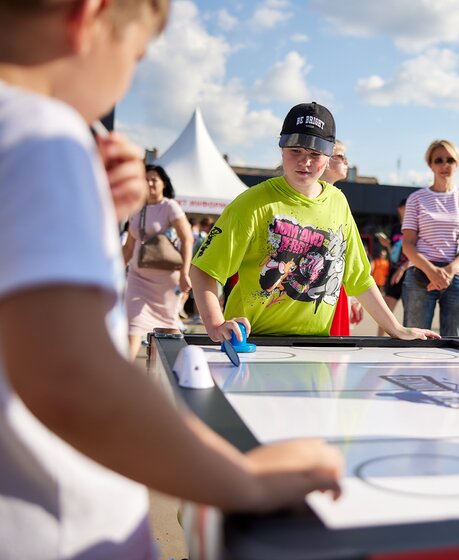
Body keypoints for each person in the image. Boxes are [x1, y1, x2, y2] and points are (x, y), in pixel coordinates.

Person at [0, 2, 345, 558]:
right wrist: (241, 479)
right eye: (136, 54)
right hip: (64, 531)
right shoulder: (43, 132)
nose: (128, 76)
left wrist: (92, 211)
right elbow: (71, 378)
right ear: (90, 16)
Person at [190, 103, 437, 343]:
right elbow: (204, 269)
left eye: (315, 154)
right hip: (255, 342)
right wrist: (215, 324)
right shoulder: (252, 203)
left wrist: (395, 328)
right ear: (281, 149)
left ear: (329, 157)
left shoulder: (338, 202)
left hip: (315, 345)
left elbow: (359, 279)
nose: (304, 162)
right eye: (295, 150)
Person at [401, 139, 459, 337]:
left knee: (457, 343)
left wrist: (448, 271)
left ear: (457, 164)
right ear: (430, 164)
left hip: (458, 275)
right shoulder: (416, 198)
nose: (445, 165)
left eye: (450, 160)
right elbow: (408, 245)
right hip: (422, 273)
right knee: (414, 341)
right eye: (438, 160)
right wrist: (432, 271)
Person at [122, 164, 194, 359]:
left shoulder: (169, 206)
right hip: (137, 278)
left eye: (154, 179)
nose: (150, 183)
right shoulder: (136, 208)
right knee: (133, 322)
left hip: (165, 281)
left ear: (163, 184)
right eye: (145, 179)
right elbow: (129, 247)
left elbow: (187, 238)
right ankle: (125, 369)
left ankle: (176, 365)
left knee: (167, 326)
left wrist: (184, 273)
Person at [318, 139, 362, 335]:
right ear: (325, 160)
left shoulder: (337, 199)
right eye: (341, 156)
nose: (347, 162)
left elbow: (341, 253)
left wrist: (350, 295)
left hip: (333, 286)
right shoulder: (315, 198)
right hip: (318, 289)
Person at [378, 198, 409, 336]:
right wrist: (387, 245)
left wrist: (403, 268)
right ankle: (378, 339)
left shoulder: (415, 227)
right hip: (394, 271)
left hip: (410, 271)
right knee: (385, 309)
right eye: (406, 207)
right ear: (400, 209)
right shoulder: (396, 228)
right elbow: (394, 253)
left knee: (411, 312)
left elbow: (419, 252)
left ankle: (410, 340)